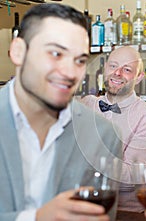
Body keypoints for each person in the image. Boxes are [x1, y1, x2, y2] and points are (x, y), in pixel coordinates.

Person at [0, 3, 123, 221]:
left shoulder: (104, 135)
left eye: (80, 60)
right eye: (56, 53)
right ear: (18, 51)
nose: (69, 72)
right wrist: (35, 218)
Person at [81, 46, 146, 212]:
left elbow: (133, 177)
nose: (117, 73)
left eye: (127, 69)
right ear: (105, 69)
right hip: (82, 206)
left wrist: (88, 158)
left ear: (139, 77)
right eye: (113, 66)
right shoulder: (86, 104)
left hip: (126, 214)